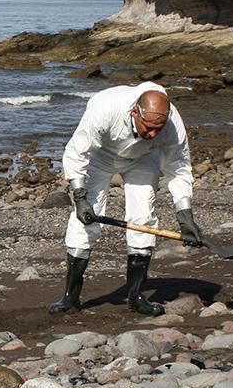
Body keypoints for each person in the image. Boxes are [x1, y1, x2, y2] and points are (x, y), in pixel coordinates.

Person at [49, 83, 202, 317]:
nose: (153, 134)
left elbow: (178, 168)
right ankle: (70, 296)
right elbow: (76, 152)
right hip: (100, 156)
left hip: (143, 158)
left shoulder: (172, 124)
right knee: (85, 221)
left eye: (158, 129)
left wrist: (185, 214)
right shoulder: (104, 107)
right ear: (135, 112)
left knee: (143, 219)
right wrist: (80, 197)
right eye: (148, 127)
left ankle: (135, 295)